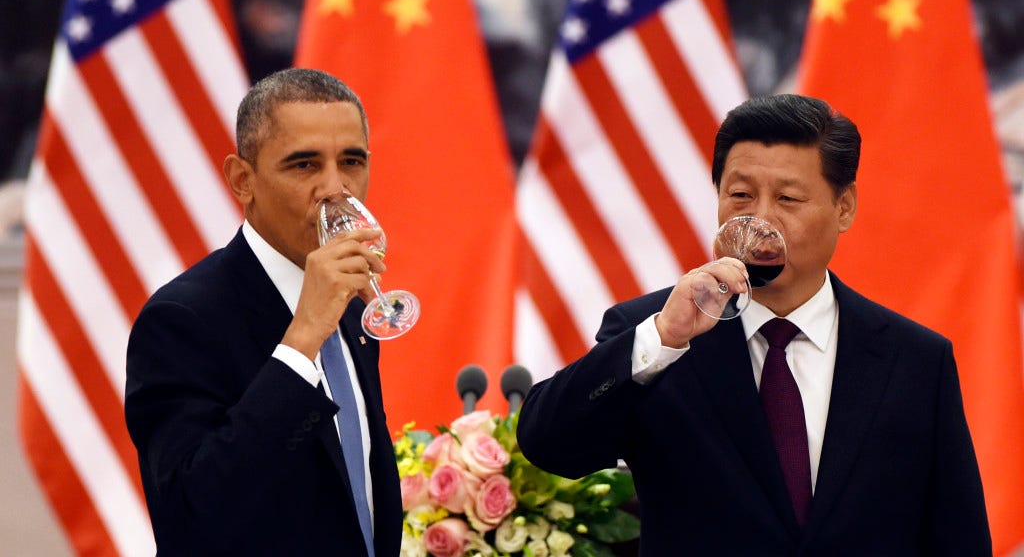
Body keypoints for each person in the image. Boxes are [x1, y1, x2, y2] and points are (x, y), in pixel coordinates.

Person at [516, 94, 991, 555]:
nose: (761, 220)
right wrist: (662, 337)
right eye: (740, 195)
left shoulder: (915, 360)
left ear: (843, 207)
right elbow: (549, 445)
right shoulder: (656, 333)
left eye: (788, 198)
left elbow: (957, 537)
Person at [125, 68, 402, 555]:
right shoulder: (181, 318)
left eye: (352, 160)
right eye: (304, 165)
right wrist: (303, 339)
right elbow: (190, 518)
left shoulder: (355, 310)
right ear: (242, 179)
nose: (336, 189)